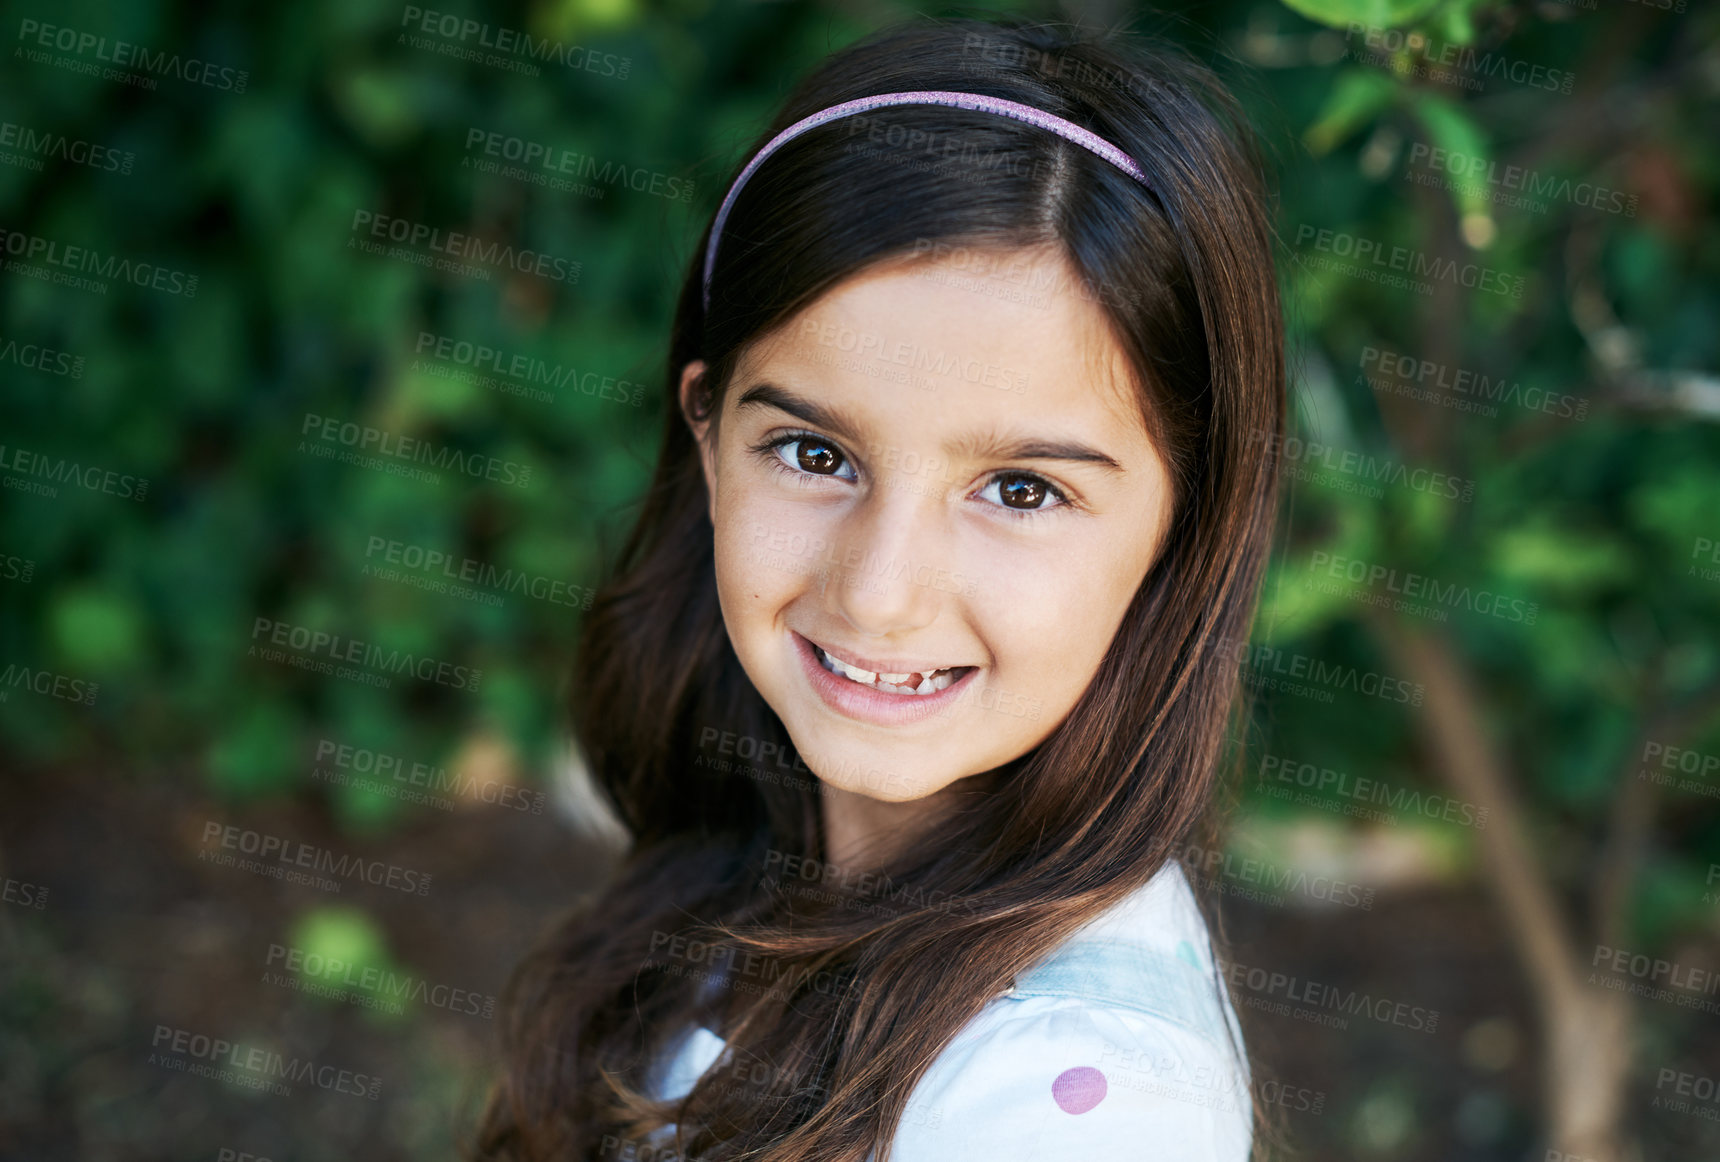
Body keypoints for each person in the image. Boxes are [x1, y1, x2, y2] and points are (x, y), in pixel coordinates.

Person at [472, 15, 1285, 1162]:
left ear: (1182, 523)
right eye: (814, 455)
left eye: (1019, 488)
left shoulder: (1069, 1102)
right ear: (707, 434)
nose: (880, 593)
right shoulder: (763, 857)